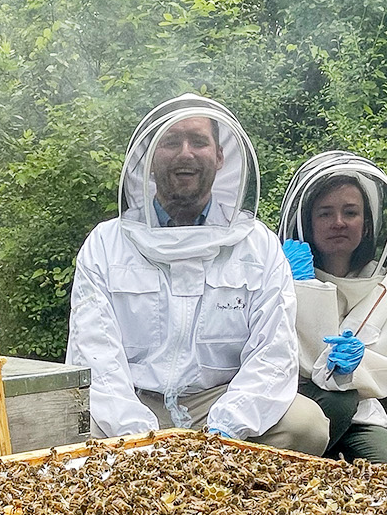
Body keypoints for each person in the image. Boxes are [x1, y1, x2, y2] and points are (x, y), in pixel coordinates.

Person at [67, 94, 329, 455]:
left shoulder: (258, 246)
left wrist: (226, 428)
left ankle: (249, 503)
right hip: (131, 401)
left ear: (220, 156)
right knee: (62, 426)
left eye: (199, 141)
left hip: (219, 401)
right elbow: (95, 354)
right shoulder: (107, 244)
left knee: (306, 426)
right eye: (171, 142)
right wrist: (136, 434)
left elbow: (272, 354)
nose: (185, 153)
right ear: (149, 158)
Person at [277, 152, 387, 465]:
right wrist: (299, 288)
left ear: (366, 225)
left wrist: (355, 366)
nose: (338, 223)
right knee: (333, 404)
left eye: (350, 212)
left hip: (357, 418)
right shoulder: (280, 275)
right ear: (308, 223)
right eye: (325, 213)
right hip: (286, 408)